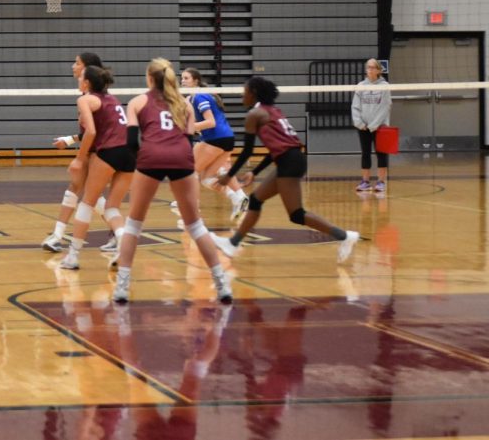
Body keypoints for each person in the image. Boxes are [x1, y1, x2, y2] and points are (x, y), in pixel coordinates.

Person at [112, 58, 232, 305]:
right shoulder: (184, 103)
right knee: (196, 226)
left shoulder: (137, 102)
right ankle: (222, 283)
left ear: (148, 78)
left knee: (133, 225)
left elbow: (132, 142)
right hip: (181, 156)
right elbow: (188, 138)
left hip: (152, 156)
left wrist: (146, 162)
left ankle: (122, 287)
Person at [213, 76, 361, 264]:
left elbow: (247, 151)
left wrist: (229, 175)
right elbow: (277, 148)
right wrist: (254, 172)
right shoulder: (273, 111)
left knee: (296, 214)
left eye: (245, 91)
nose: (243, 94)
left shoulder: (254, 115)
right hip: (291, 158)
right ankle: (233, 243)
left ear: (254, 93)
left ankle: (344, 236)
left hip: (289, 161)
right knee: (256, 200)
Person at [57, 66, 135, 270]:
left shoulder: (84, 99)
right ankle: (122, 243)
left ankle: (73, 256)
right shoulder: (113, 100)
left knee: (86, 203)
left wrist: (79, 160)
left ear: (87, 83)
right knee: (112, 207)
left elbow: (90, 131)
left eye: (81, 77)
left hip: (110, 152)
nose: (78, 79)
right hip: (131, 153)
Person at [43, 52, 104, 252]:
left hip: (104, 151)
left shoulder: (92, 98)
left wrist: (79, 158)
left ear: (86, 70)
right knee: (79, 188)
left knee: (87, 192)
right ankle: (57, 236)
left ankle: (120, 232)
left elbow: (95, 131)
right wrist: (69, 140)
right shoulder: (90, 96)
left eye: (77, 63)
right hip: (100, 149)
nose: (73, 66)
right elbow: (89, 131)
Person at [181, 67, 248, 221]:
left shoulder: (200, 97)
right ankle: (238, 197)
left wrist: (192, 128)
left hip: (216, 139)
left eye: (186, 78)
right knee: (207, 178)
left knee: (191, 171)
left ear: (195, 80)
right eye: (182, 78)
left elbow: (210, 122)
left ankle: (191, 208)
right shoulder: (192, 98)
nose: (183, 81)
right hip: (227, 138)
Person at [352, 58, 391, 193]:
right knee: (365, 153)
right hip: (363, 126)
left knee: (381, 154)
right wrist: (359, 123)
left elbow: (385, 107)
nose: (370, 69)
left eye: (373, 67)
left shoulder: (384, 86)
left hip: (380, 126)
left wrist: (375, 124)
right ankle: (365, 182)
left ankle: (381, 182)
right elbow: (355, 106)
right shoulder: (361, 85)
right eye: (368, 67)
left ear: (379, 70)